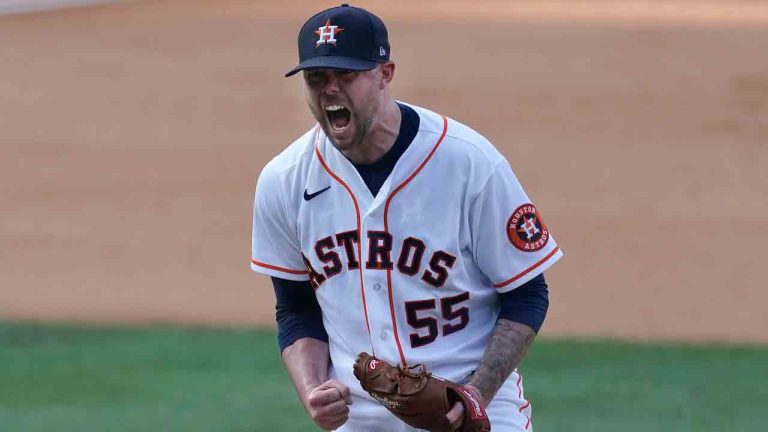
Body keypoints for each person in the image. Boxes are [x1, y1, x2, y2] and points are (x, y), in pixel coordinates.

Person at [250, 4, 563, 431]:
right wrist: (312, 390)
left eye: (346, 75)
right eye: (317, 78)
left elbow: (527, 294)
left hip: (479, 413)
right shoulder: (284, 180)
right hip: (359, 420)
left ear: (385, 74)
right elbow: (296, 310)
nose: (330, 90)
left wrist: (476, 393)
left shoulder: (469, 164)